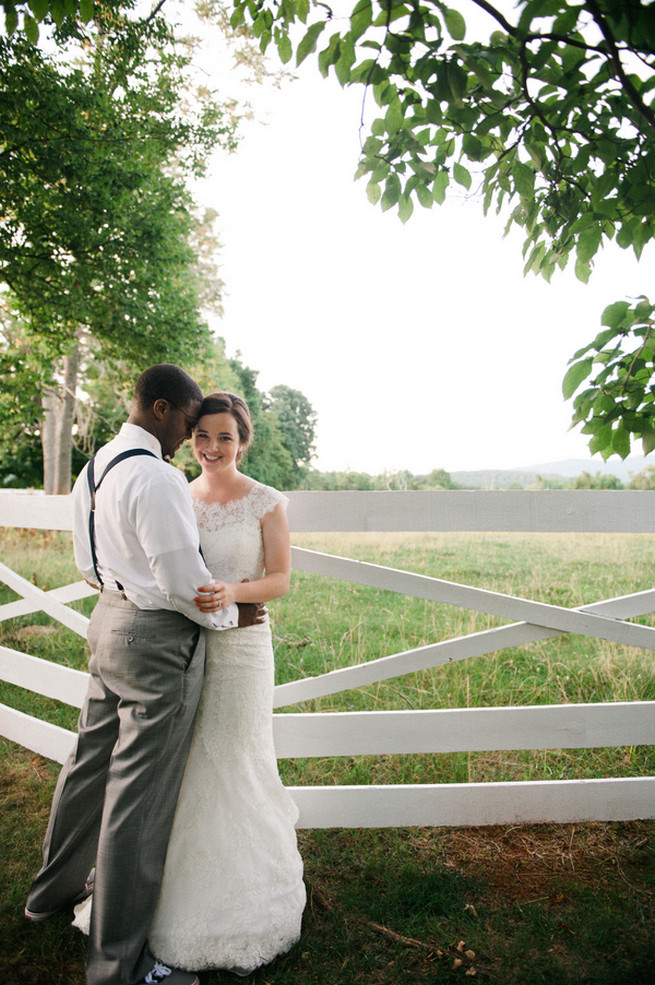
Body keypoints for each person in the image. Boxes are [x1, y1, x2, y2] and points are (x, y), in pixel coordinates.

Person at [25, 366, 264, 985]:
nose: (191, 438)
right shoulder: (156, 477)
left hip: (106, 621)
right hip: (155, 640)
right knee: (139, 800)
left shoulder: (95, 466)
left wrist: (122, 589)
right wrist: (232, 617)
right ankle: (119, 966)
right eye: (188, 423)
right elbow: (186, 583)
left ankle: (46, 896)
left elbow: (86, 562)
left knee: (86, 768)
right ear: (162, 408)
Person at [74, 391, 306, 975]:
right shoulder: (174, 489)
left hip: (244, 650)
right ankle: (159, 901)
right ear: (189, 435)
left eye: (224, 437)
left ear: (243, 440)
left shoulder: (265, 501)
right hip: (187, 645)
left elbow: (278, 579)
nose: (210, 448)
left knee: (234, 761)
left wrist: (233, 593)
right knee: (182, 771)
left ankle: (241, 905)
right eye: (202, 435)